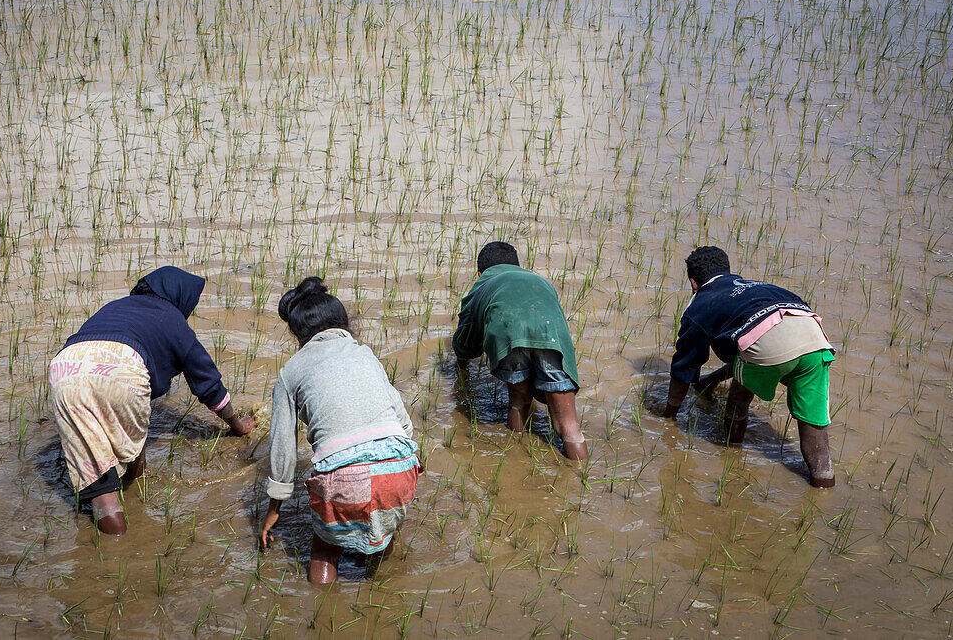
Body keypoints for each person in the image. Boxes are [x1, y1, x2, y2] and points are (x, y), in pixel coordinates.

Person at [49, 266, 254, 535]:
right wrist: (237, 425)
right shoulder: (172, 318)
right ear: (179, 298)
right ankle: (124, 551)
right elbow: (208, 383)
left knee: (99, 485)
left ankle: (110, 540)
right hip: (121, 367)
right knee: (135, 434)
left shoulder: (117, 306)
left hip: (65, 368)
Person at [259, 277, 421, 584]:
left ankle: (321, 614)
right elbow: (404, 424)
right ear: (343, 323)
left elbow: (283, 448)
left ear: (298, 334)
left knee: (325, 546)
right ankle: (381, 596)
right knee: (384, 534)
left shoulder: (291, 371)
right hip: (399, 470)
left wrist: (274, 507)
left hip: (342, 478)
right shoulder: (365, 354)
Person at [663, 246, 836, 488]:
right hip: (815, 339)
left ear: (693, 282)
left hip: (767, 339)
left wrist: (668, 416)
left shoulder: (702, 302)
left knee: (739, 396)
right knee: (814, 425)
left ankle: (732, 458)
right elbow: (750, 354)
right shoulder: (758, 287)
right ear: (728, 271)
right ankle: (824, 487)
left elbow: (684, 366)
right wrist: (709, 381)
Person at [452, 242, 588, 460]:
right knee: (569, 425)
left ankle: (515, 461)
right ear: (517, 265)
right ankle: (582, 481)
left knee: (519, 402)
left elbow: (465, 343)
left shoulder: (482, 285)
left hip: (509, 337)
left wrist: (460, 364)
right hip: (551, 339)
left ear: (480, 273)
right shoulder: (540, 281)